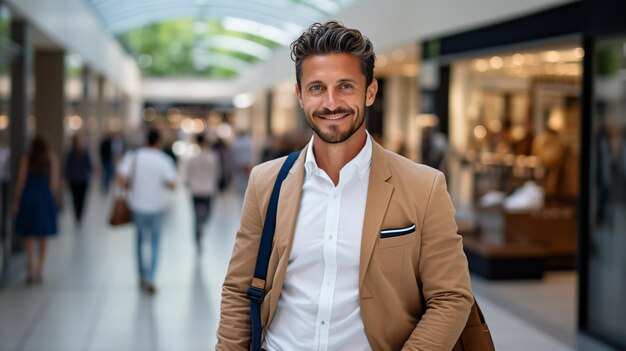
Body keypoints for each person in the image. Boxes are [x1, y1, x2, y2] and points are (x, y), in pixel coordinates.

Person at [217, 21, 473, 350]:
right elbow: (238, 291)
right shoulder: (266, 181)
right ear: (299, 95)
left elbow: (451, 298)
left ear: (370, 92)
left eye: (346, 87)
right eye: (316, 88)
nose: (331, 102)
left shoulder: (424, 186)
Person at [117, 129, 177, 294]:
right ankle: (150, 277)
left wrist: (133, 184)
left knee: (139, 241)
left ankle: (141, 274)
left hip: (137, 205)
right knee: (155, 243)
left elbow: (121, 177)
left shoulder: (134, 156)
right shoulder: (164, 160)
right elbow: (172, 184)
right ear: (159, 141)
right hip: (156, 207)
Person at [12, 135, 59, 284]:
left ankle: (30, 267)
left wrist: (16, 200)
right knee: (43, 235)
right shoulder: (51, 159)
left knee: (29, 234)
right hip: (44, 199)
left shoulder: (27, 158)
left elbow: (21, 180)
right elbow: (54, 184)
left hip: (29, 198)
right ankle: (40, 269)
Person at [185, 134, 221, 253]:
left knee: (196, 214)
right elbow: (217, 174)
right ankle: (202, 225)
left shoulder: (193, 158)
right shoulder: (213, 157)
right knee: (208, 212)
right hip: (208, 189)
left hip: (195, 190)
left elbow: (188, 176)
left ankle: (198, 230)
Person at [64, 133, 93, 225]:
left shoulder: (74, 152)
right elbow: (88, 165)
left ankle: (78, 215)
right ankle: (79, 215)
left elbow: (68, 166)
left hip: (75, 179)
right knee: (81, 199)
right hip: (81, 178)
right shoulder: (75, 152)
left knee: (76, 199)